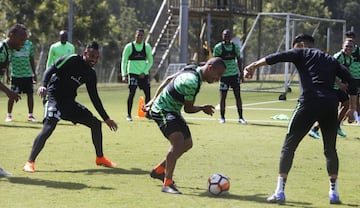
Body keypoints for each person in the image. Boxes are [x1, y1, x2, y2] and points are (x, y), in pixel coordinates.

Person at [244, 34, 357, 204]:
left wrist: (252, 66)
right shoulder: (330, 59)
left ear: (301, 45)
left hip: (309, 103)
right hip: (330, 105)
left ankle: (279, 192)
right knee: (330, 150)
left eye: (294, 47)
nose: (293, 51)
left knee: (288, 147)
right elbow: (352, 80)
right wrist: (353, 108)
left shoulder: (301, 52)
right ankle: (334, 193)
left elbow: (276, 57)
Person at [23, 41, 118, 173]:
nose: (94, 60)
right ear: (85, 53)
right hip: (53, 98)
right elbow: (51, 69)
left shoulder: (90, 74)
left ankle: (100, 158)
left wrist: (106, 118)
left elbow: (94, 97)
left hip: (69, 103)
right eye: (91, 56)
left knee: (96, 124)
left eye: (97, 57)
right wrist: (43, 85)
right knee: (49, 126)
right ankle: (30, 162)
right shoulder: (72, 59)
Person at [144, 57, 226, 194]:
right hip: (163, 109)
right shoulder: (192, 82)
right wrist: (202, 108)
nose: (218, 79)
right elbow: (188, 109)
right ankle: (167, 183)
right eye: (218, 74)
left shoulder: (192, 68)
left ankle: (159, 171)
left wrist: (153, 99)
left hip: (173, 109)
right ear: (210, 68)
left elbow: (169, 78)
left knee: (187, 143)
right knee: (177, 142)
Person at [309, 39, 354, 139]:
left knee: (346, 104)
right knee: (329, 110)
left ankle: (336, 126)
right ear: (343, 46)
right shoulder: (338, 57)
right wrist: (339, 84)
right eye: (347, 46)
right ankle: (314, 129)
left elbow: (345, 72)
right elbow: (329, 72)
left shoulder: (350, 59)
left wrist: (346, 83)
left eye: (350, 47)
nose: (348, 48)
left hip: (338, 88)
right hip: (330, 86)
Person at [0, 23, 27, 176]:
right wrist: (8, 92)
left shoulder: (8, 51)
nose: (23, 43)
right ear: (11, 35)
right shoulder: (1, 49)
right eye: (21, 39)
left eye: (25, 40)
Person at [213, 29, 246, 124]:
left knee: (238, 96)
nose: (226, 37)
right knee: (223, 97)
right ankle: (222, 117)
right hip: (224, 76)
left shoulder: (235, 47)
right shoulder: (218, 47)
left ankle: (241, 117)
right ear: (222, 36)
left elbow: (239, 60)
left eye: (228, 35)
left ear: (231, 36)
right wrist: (216, 75)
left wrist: (241, 74)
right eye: (224, 35)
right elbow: (215, 62)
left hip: (234, 75)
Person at [121, 28, 153, 121]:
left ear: (144, 37)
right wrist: (124, 74)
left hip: (143, 74)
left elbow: (150, 61)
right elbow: (124, 61)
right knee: (132, 93)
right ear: (135, 35)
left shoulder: (146, 47)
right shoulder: (129, 47)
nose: (139, 37)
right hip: (133, 73)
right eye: (138, 35)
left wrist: (145, 71)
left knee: (148, 94)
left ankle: (148, 113)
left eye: (141, 36)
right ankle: (129, 115)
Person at [5, 39, 37, 122]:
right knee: (12, 95)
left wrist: (34, 73)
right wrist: (7, 74)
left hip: (27, 74)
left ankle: (30, 116)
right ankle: (9, 115)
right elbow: (8, 61)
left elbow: (31, 58)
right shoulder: (14, 44)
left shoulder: (29, 44)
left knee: (30, 94)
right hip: (16, 75)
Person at [344, 31, 360, 124]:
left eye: (351, 38)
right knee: (347, 100)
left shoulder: (358, 51)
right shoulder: (343, 52)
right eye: (347, 38)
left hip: (357, 78)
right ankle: (349, 117)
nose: (350, 40)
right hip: (348, 79)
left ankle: (355, 117)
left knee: (355, 99)